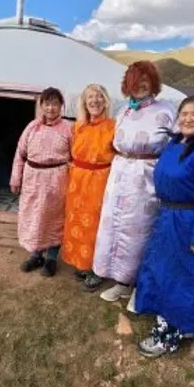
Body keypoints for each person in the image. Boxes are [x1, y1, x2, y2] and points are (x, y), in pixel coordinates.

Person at [134, 96, 194, 358]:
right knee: (164, 272)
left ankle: (170, 336)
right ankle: (166, 317)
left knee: (185, 278)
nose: (188, 119)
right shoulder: (174, 143)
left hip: (192, 222)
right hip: (168, 219)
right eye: (184, 114)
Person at [88, 61, 176, 297]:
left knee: (138, 231)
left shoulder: (166, 110)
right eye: (136, 81)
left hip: (145, 177)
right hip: (119, 174)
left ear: (154, 83)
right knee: (115, 229)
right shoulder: (124, 110)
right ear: (128, 85)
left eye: (146, 80)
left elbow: (183, 139)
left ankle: (140, 285)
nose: (141, 85)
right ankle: (122, 283)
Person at [10, 87, 72, 277]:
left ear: (61, 106)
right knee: (34, 217)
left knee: (54, 218)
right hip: (32, 178)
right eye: (47, 103)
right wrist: (16, 177)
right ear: (41, 105)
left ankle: (51, 258)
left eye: (55, 104)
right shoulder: (32, 127)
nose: (51, 108)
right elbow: (20, 154)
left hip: (57, 178)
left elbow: (77, 156)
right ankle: (36, 254)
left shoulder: (69, 128)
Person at [62, 84, 115, 285]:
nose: (95, 100)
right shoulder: (78, 126)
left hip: (100, 179)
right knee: (76, 221)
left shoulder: (114, 126)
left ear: (106, 100)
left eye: (99, 96)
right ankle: (81, 263)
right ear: (84, 102)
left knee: (96, 224)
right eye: (90, 97)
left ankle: (97, 268)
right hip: (77, 180)